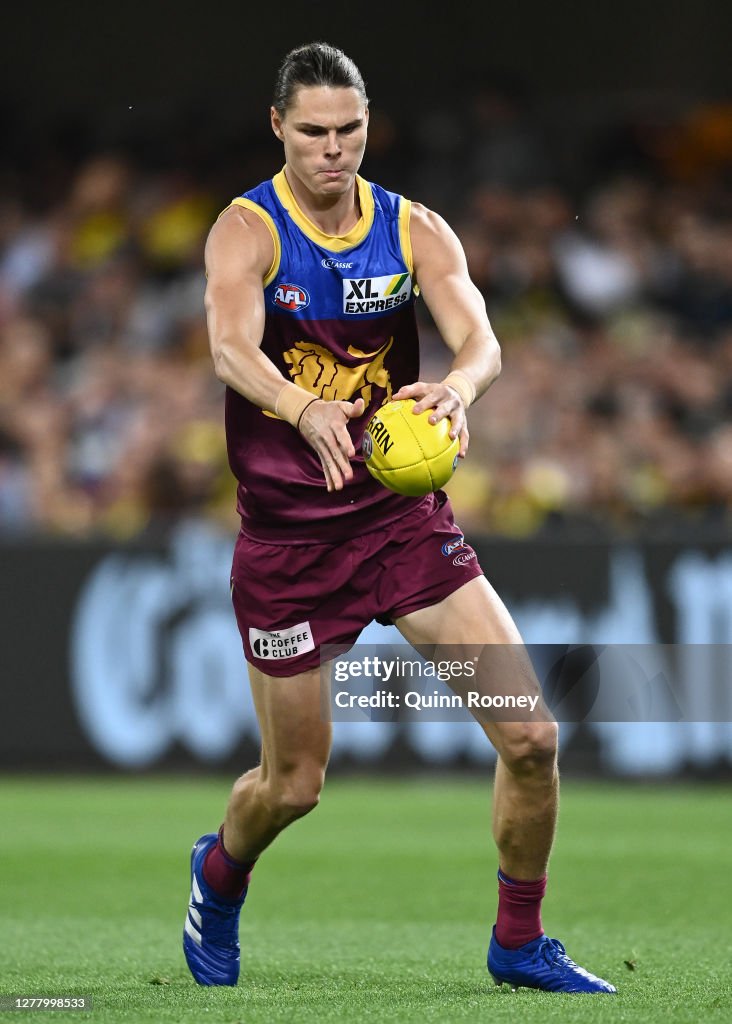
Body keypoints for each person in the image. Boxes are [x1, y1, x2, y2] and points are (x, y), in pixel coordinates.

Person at [183, 42, 615, 995]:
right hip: (289, 544)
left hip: (400, 522)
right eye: (313, 133)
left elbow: (481, 335)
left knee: (533, 737)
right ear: (278, 129)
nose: (334, 151)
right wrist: (302, 407)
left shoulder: (414, 228)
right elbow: (226, 347)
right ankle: (218, 875)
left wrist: (459, 388)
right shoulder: (246, 231)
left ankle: (519, 941)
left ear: (368, 128)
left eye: (350, 132)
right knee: (294, 786)